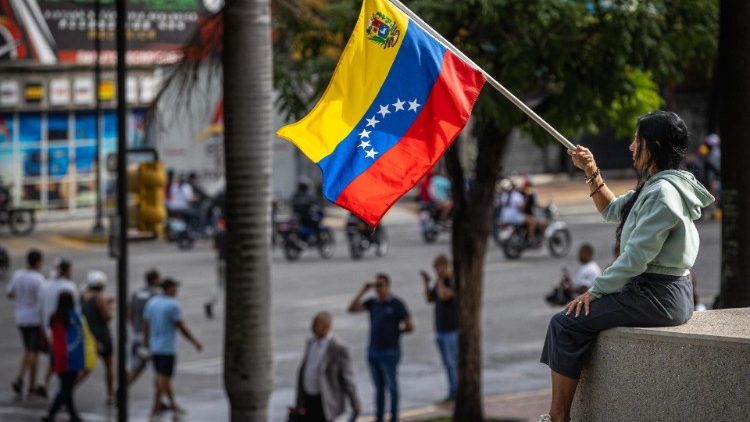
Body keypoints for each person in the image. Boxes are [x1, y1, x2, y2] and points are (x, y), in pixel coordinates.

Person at [539, 111, 714, 422]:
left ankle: (558, 417)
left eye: (638, 141)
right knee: (570, 322)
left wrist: (595, 291)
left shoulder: (662, 193)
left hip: (657, 295)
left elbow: (635, 258)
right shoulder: (659, 185)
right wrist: (591, 170)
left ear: (655, 146)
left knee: (565, 323)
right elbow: (611, 209)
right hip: (659, 293)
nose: (631, 147)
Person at [348, 273, 414, 422]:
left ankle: (394, 416)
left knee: (392, 387)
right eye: (375, 286)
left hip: (390, 351)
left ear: (388, 286)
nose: (377, 289)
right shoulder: (373, 303)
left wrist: (396, 333)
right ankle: (379, 417)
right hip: (374, 351)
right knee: (379, 389)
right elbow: (351, 308)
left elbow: (410, 326)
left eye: (380, 285)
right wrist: (363, 291)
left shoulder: (396, 304)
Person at [143, 278, 203, 421]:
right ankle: (155, 409)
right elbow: (181, 326)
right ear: (169, 289)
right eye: (175, 287)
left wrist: (146, 344)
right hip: (167, 348)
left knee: (163, 378)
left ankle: (174, 406)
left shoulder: (152, 302)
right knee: (162, 380)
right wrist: (195, 342)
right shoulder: (173, 305)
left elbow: (146, 324)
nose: (177, 290)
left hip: (154, 346)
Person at [294, 312, 361, 422]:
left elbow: (347, 377)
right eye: (313, 324)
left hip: (326, 400)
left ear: (326, 326)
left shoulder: (338, 348)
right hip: (308, 398)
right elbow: (304, 370)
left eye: (316, 325)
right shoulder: (311, 343)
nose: (312, 328)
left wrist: (354, 401)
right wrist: (299, 402)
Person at [6, 249, 46, 399]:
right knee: (33, 351)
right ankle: (21, 378)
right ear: (37, 262)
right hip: (34, 318)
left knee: (28, 349)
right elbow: (42, 299)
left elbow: (10, 293)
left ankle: (31, 385)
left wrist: (21, 297)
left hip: (20, 318)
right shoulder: (38, 279)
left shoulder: (18, 275)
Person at [420, 255, 458, 403]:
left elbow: (444, 296)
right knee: (447, 364)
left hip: (452, 330)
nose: (438, 270)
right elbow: (430, 299)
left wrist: (440, 280)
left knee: (452, 362)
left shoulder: (452, 281)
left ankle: (456, 391)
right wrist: (426, 283)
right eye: (436, 268)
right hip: (440, 329)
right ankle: (452, 390)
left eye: (440, 267)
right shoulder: (438, 283)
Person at [42, 291, 83, 422]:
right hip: (71, 358)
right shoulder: (73, 317)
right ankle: (51, 414)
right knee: (66, 389)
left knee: (67, 387)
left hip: (60, 357)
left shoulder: (55, 317)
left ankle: (73, 415)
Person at [81, 270, 114, 404]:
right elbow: (107, 317)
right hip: (102, 334)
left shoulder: (84, 297)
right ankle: (110, 395)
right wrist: (111, 307)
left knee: (87, 366)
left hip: (89, 334)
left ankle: (68, 389)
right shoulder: (100, 298)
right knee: (109, 365)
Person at [128, 269, 161, 384]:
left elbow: (129, 314)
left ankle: (120, 392)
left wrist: (134, 327)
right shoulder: (155, 295)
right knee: (160, 371)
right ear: (155, 279)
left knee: (136, 368)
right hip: (150, 337)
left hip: (137, 334)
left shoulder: (136, 293)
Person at [204, 217, 225, 319]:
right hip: (230, 263)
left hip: (220, 261)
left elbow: (214, 247)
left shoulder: (219, 234)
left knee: (219, 285)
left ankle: (210, 302)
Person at [521, 177, 540, 242]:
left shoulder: (530, 193)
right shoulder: (525, 194)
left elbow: (535, 204)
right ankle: (531, 238)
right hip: (525, 215)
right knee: (533, 221)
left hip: (528, 213)